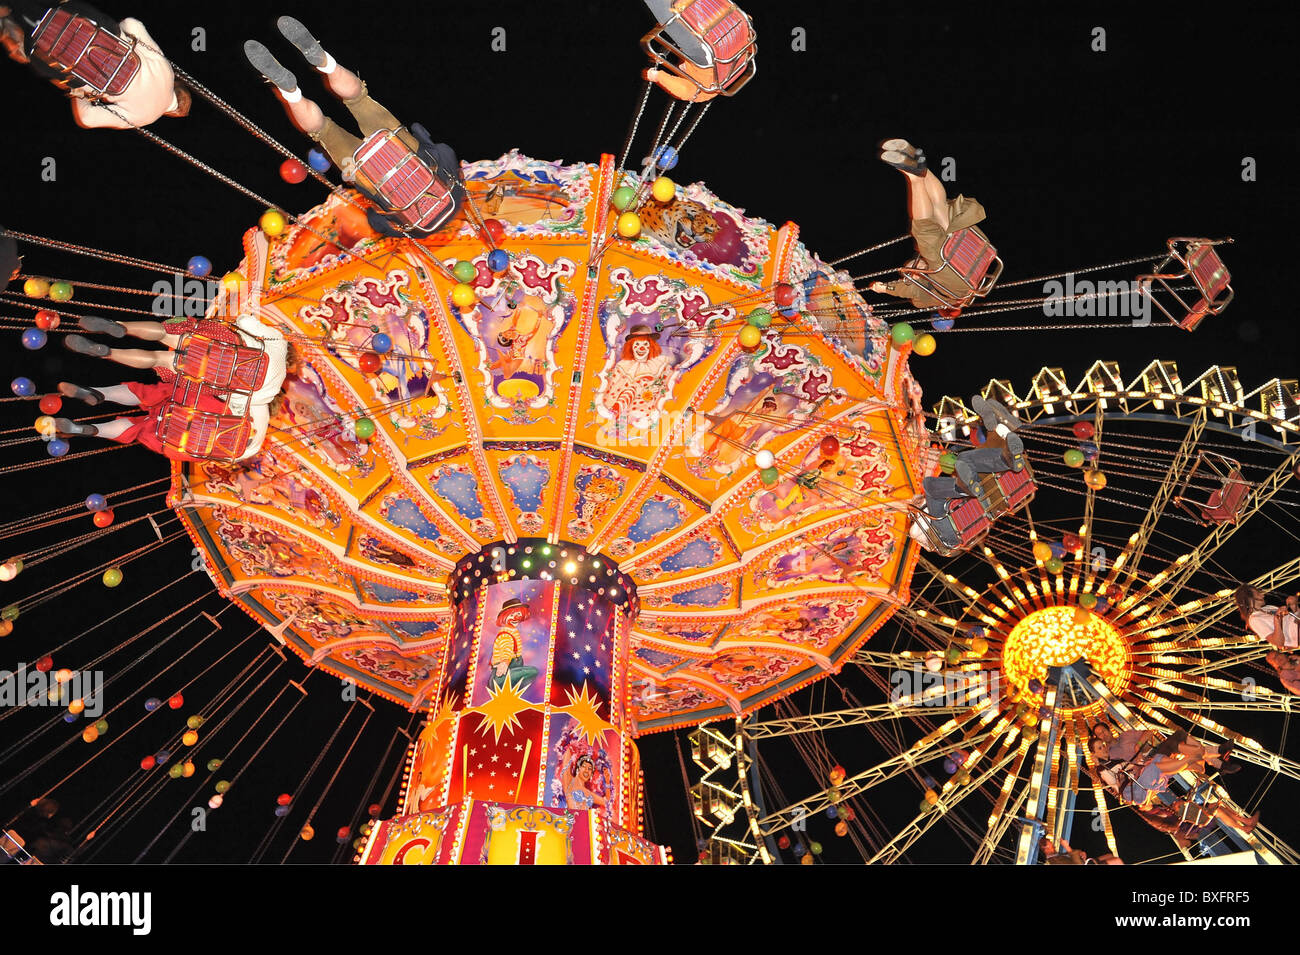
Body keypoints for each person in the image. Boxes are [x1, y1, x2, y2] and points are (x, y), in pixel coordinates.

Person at [244, 17, 462, 237]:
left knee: (358, 98)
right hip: (365, 173)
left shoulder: (455, 191)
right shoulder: (414, 231)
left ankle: (326, 63)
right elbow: (374, 218)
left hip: (403, 148)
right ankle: (291, 93)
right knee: (323, 131)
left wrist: (420, 135)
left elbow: (444, 150)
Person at [53, 313, 287, 462]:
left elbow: (246, 321)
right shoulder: (259, 406)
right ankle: (94, 428)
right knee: (143, 427)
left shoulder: (280, 344)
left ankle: (119, 329)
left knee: (167, 344)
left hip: (222, 356)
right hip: (189, 435)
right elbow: (241, 445)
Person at [2, 1, 190, 128]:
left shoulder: (167, 72)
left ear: (177, 88)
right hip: (65, 64)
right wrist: (80, 92)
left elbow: (132, 24)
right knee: (27, 54)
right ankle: (9, 30)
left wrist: (122, 37)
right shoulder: (144, 118)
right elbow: (86, 118)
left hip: (89, 23)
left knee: (61, 6)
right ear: (169, 113)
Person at [869, 139, 990, 310]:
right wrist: (884, 289)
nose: (914, 266)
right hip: (959, 280)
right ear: (917, 277)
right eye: (913, 270)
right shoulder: (931, 290)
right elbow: (909, 291)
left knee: (940, 208)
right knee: (923, 229)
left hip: (970, 252)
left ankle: (922, 169)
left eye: (912, 266)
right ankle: (916, 178)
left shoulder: (942, 251)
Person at [908, 396, 1026, 550]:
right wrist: (917, 509)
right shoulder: (918, 527)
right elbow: (917, 530)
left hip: (971, 514)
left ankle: (1006, 453)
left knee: (965, 459)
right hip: (948, 534)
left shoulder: (947, 506)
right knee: (928, 484)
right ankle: (1000, 429)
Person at [640, 0, 755, 103]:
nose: (681, 67)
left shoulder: (739, 61)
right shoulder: (704, 92)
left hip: (720, 27)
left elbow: (748, 43)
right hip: (706, 53)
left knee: (687, 10)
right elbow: (685, 90)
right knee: (671, 20)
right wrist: (657, 76)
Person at [489, 598, 539, 693]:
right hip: (500, 677)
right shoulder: (505, 635)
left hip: (510, 669)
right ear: (504, 617)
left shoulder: (513, 631)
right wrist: (504, 662)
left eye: (518, 614)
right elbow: (506, 648)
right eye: (511, 615)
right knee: (533, 671)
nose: (516, 618)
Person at [1235, 584, 1300, 650]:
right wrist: (1277, 619)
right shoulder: (1254, 619)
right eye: (1258, 594)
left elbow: (1294, 619)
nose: (1263, 595)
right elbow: (1278, 642)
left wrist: (1294, 607)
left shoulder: (1268, 608)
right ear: (1249, 599)